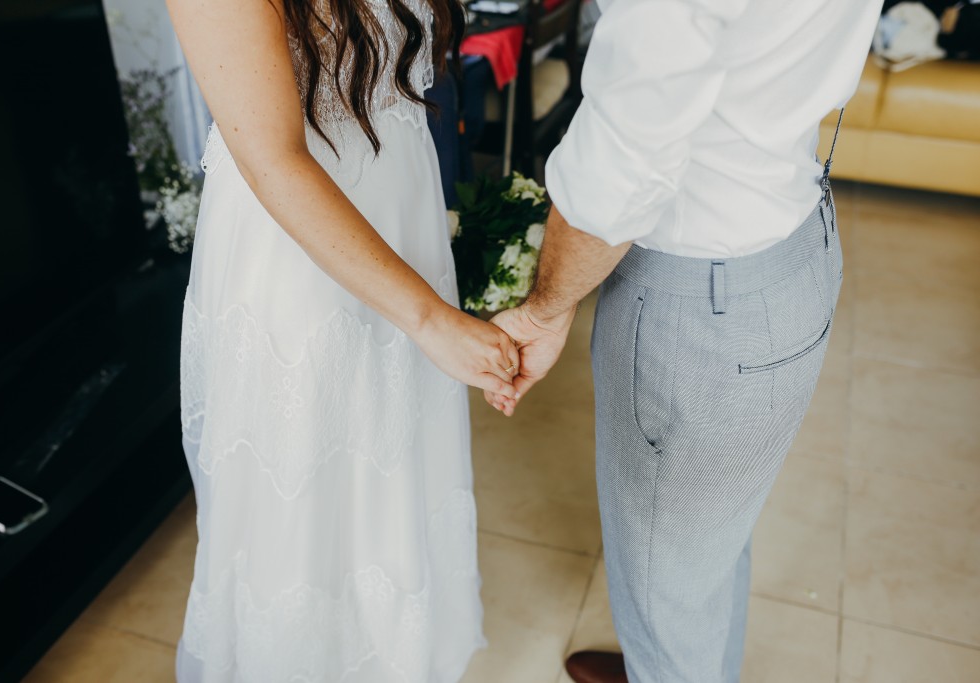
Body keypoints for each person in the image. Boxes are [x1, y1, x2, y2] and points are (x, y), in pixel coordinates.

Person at [486, 1, 885, 681]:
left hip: (700, 296)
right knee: (709, 542)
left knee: (665, 590)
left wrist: (546, 310)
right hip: (796, 236)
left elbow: (621, 167)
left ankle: (670, 664)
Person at [165, 1, 521, 681]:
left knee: (394, 477)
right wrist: (430, 319)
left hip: (402, 226)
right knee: (307, 505)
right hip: (301, 255)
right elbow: (274, 161)